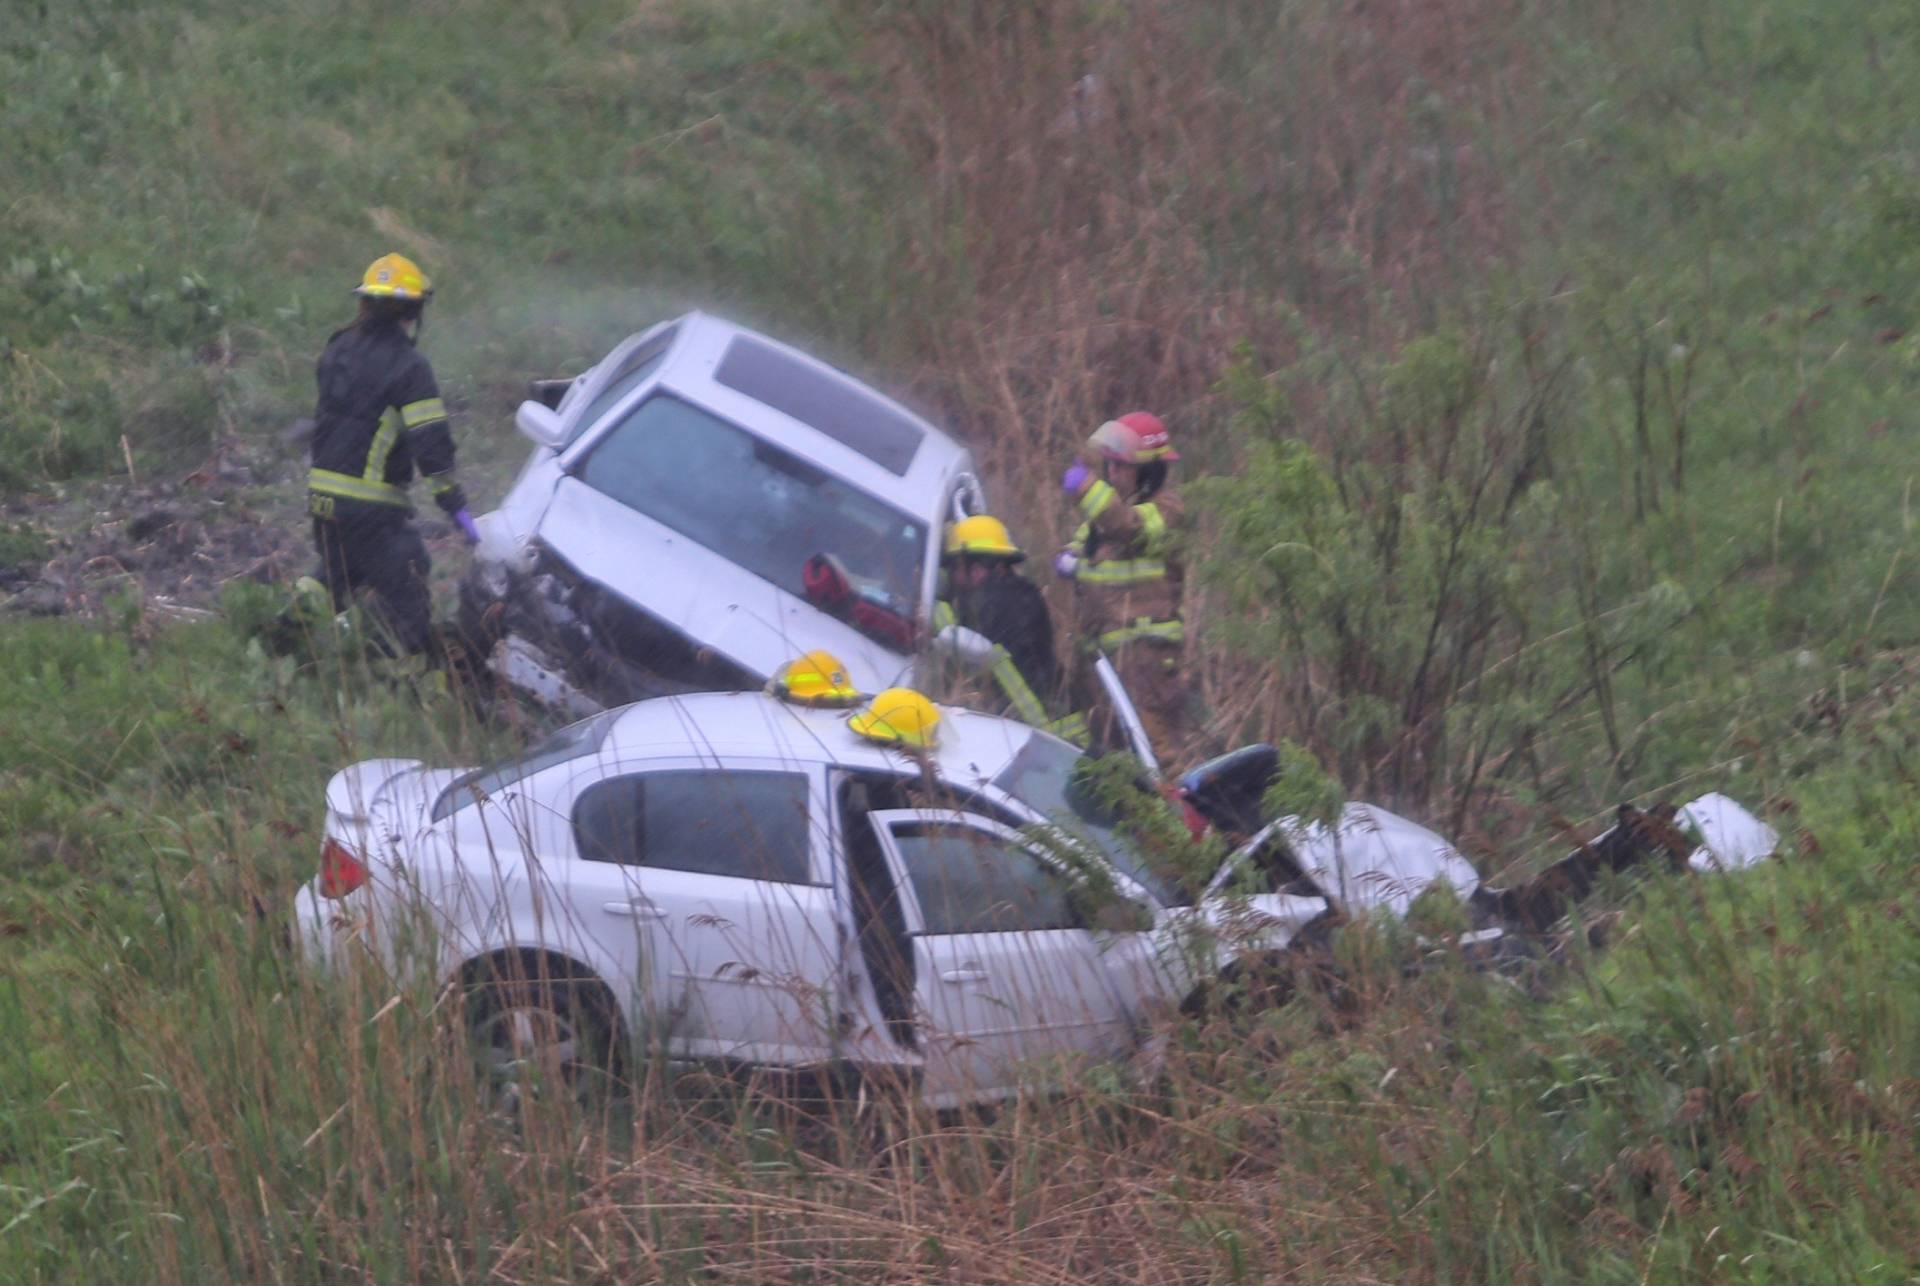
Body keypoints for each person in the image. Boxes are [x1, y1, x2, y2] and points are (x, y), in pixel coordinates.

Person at [305, 253, 476, 655]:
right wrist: (456, 508)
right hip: (372, 509)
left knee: (333, 575)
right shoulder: (410, 367)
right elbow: (431, 446)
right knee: (409, 586)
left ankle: (285, 639)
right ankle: (398, 679)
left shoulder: (337, 349)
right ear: (415, 310)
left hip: (321, 500)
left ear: (364, 303)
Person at [1055, 410, 1191, 762]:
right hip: (1104, 660)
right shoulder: (1109, 513)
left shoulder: (1167, 511)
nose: (1112, 474)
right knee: (1114, 760)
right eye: (1109, 466)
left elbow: (1129, 528)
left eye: (1121, 467)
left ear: (1149, 471)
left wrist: (1087, 488)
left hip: (1148, 661)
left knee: (1158, 758)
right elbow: (1086, 541)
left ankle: (1181, 817)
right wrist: (1071, 558)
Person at [932, 514, 1086, 742]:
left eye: (955, 568)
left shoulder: (989, 604)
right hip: (1061, 725)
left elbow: (950, 634)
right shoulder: (1025, 596)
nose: (952, 578)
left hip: (1044, 738)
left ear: (977, 569)